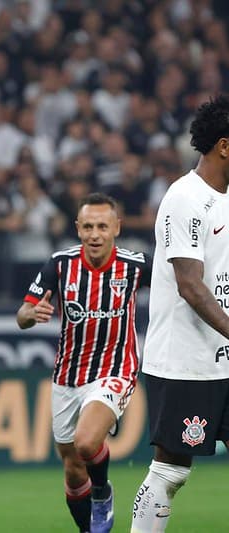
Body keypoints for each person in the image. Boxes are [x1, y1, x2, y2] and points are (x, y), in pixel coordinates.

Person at [16, 192, 151, 533]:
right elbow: (22, 315)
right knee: (74, 469)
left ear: (116, 228)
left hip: (116, 369)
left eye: (102, 226)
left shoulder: (135, 266)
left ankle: (103, 493)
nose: (95, 234)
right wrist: (32, 314)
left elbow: (179, 286)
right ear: (78, 228)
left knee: (87, 441)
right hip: (68, 376)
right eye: (88, 226)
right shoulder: (60, 264)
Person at [130, 95, 229, 532]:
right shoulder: (184, 199)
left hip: (224, 356)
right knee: (172, 469)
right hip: (185, 361)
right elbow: (190, 285)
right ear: (224, 146)